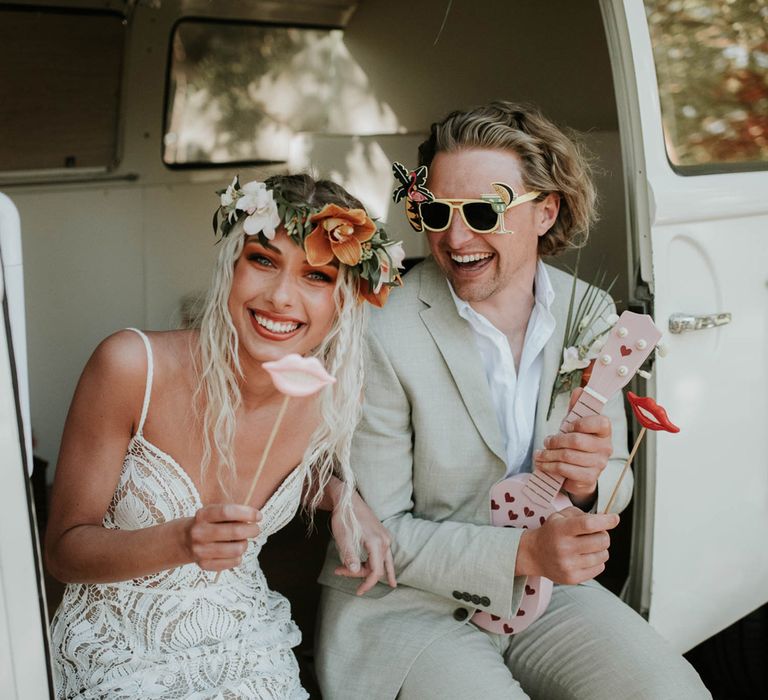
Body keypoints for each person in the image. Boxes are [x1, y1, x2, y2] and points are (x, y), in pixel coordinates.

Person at [316, 102, 710, 699]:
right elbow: (383, 533)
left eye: (481, 211)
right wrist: (525, 550)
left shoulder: (589, 314)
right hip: (405, 601)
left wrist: (584, 484)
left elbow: (610, 478)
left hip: (544, 592)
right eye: (436, 211)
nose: (455, 237)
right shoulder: (382, 328)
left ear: (545, 211)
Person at [45, 174, 401, 699]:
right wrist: (180, 540)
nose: (281, 297)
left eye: (317, 276)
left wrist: (345, 497)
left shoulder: (329, 399)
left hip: (248, 644)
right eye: (263, 260)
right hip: (116, 653)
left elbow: (296, 475)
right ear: (231, 267)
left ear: (344, 302)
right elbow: (63, 551)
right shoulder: (130, 367)